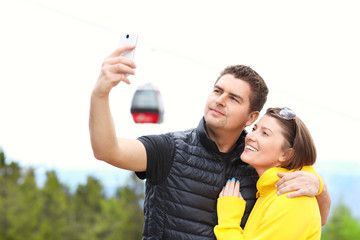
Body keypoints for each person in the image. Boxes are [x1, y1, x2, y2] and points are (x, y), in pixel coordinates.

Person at [89, 46, 331, 239]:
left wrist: (320, 187)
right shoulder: (169, 149)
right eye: (217, 91)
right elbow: (107, 150)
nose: (220, 100)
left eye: (234, 98)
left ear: (251, 117)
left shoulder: (258, 164)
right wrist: (100, 94)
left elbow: (313, 218)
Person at [214, 107, 324, 239]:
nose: (251, 136)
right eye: (254, 129)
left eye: (265, 133)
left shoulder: (291, 200)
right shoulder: (270, 191)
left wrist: (228, 222)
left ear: (286, 154)